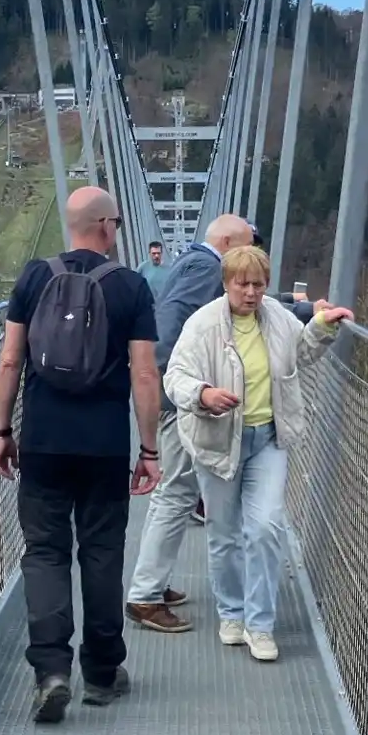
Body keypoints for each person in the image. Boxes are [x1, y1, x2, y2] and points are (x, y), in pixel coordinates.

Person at [0, 187, 162, 724]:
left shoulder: (33, 278)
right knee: (102, 552)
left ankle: (51, 672)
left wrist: (2, 430)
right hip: (104, 445)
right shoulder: (131, 286)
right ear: (107, 226)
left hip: (42, 441)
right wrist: (150, 448)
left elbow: (10, 361)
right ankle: (103, 673)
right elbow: (144, 373)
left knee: (45, 552)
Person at [164, 244, 351, 661]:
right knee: (224, 533)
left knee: (266, 527)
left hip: (268, 438)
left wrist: (322, 326)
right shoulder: (202, 324)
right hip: (217, 441)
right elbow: (175, 377)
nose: (251, 293)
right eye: (242, 284)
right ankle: (231, 612)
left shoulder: (277, 317)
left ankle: (260, 624)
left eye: (259, 285)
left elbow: (301, 353)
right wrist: (203, 394)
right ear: (226, 283)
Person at [125, 214, 254, 631]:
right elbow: (170, 325)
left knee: (172, 492)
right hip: (178, 396)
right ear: (228, 242)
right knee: (177, 492)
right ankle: (145, 596)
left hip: (171, 391)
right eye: (247, 247)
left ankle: (153, 583)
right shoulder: (206, 268)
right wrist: (172, 384)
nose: (251, 258)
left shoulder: (189, 261)